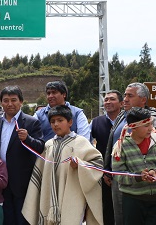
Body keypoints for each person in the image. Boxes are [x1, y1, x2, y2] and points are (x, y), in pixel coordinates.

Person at [22, 105, 103, 225]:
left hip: (72, 194)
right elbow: (40, 172)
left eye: (60, 120)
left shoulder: (81, 142)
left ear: (70, 122)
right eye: (52, 121)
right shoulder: (48, 145)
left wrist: (80, 165)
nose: (56, 124)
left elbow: (97, 162)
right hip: (49, 195)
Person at [0, 85, 44, 224]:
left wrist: (28, 139)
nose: (10, 104)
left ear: (21, 102)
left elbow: (40, 147)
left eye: (14, 100)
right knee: (7, 218)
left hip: (22, 182)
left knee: (22, 219)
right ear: (1, 102)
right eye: (6, 100)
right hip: (1, 180)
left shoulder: (31, 122)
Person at [103, 82, 156, 224]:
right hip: (121, 178)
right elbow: (112, 145)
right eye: (125, 95)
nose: (125, 99)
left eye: (130, 96)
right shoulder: (121, 117)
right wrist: (107, 169)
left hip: (149, 190)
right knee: (122, 218)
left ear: (143, 100)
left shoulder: (153, 119)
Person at [90, 89, 123, 225]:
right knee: (106, 208)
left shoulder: (127, 122)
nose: (108, 102)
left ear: (121, 103)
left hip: (124, 173)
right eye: (106, 99)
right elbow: (87, 145)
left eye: (112, 99)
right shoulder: (95, 122)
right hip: (103, 175)